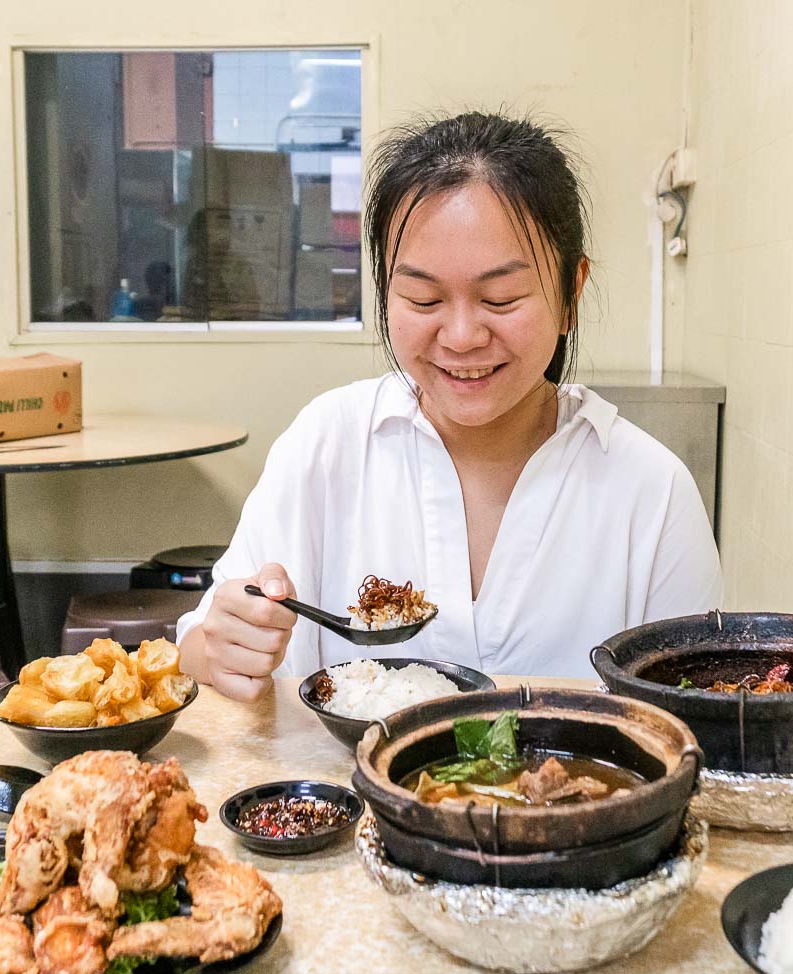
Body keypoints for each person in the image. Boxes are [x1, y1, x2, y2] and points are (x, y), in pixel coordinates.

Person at [177, 111, 723, 702]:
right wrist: (227, 644)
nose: (461, 336)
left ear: (571, 293)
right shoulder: (328, 443)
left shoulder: (652, 491)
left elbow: (697, 716)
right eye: (423, 297)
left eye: (500, 298)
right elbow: (197, 648)